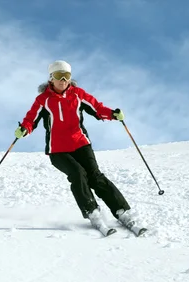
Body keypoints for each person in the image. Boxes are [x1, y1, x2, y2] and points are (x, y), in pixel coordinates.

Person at [15, 60, 137, 234]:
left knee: (95, 176)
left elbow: (96, 108)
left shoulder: (78, 94)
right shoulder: (43, 100)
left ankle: (122, 211)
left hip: (81, 144)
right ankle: (92, 213)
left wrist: (112, 114)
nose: (63, 80)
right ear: (51, 78)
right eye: (59, 76)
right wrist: (24, 129)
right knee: (78, 174)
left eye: (67, 76)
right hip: (58, 150)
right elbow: (30, 120)